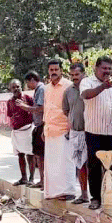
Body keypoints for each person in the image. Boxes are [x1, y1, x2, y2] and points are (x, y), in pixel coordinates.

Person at [80, 55, 112, 209]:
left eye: (109, 69)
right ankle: (95, 198)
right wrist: (103, 87)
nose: (107, 72)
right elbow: (85, 95)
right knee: (93, 165)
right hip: (94, 131)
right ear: (96, 68)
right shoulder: (87, 82)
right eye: (104, 68)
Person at [43, 59, 79, 200]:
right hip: (50, 130)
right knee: (52, 164)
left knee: (66, 162)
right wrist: (44, 128)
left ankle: (68, 192)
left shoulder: (68, 86)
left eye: (56, 70)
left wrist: (70, 127)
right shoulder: (47, 88)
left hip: (64, 129)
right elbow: (46, 108)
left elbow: (72, 109)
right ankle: (54, 192)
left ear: (61, 71)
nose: (53, 72)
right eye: (51, 70)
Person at [63, 63, 90, 204]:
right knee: (80, 165)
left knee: (94, 165)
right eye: (72, 75)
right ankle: (84, 195)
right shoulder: (68, 92)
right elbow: (66, 111)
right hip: (76, 132)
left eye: (77, 75)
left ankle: (99, 197)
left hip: (91, 132)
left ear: (83, 74)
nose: (74, 78)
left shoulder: (91, 88)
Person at [6, 79, 36, 186]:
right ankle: (23, 178)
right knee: (20, 155)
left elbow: (35, 110)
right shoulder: (9, 102)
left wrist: (24, 106)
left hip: (27, 130)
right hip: (16, 132)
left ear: (21, 87)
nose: (16, 89)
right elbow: (10, 115)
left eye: (17, 86)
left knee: (30, 155)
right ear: (10, 89)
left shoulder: (28, 98)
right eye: (13, 87)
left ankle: (31, 179)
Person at [24, 71, 45, 188]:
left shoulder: (41, 89)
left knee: (41, 156)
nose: (27, 85)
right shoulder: (38, 90)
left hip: (41, 125)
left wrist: (26, 107)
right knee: (38, 155)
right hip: (38, 125)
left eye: (28, 82)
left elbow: (40, 108)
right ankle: (42, 180)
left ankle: (44, 181)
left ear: (32, 80)